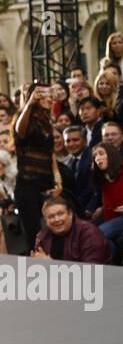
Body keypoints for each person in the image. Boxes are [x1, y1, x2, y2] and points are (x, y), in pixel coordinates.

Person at [12, 83, 60, 254]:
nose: (49, 98)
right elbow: (20, 130)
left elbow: (50, 153)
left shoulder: (47, 121)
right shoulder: (23, 118)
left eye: (49, 94)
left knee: (54, 228)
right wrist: (29, 104)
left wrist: (58, 180)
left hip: (46, 183)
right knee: (34, 235)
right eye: (43, 95)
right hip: (27, 185)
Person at [31, 196, 110, 264]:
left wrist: (51, 265)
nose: (57, 219)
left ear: (70, 214)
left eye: (60, 213)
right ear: (45, 220)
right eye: (51, 216)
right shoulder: (42, 237)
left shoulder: (90, 234)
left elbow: (91, 275)